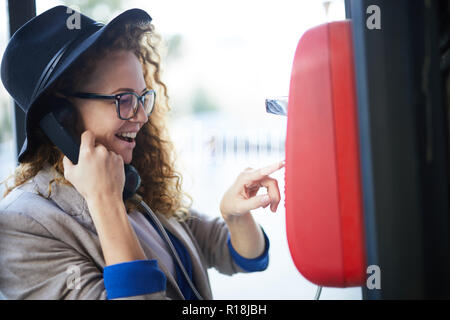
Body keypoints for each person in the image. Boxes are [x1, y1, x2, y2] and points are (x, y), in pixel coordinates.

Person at [0, 6, 284, 300]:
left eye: (142, 98)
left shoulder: (134, 185)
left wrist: (234, 216)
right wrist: (104, 201)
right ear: (62, 117)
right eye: (123, 99)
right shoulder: (20, 228)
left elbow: (241, 256)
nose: (141, 116)